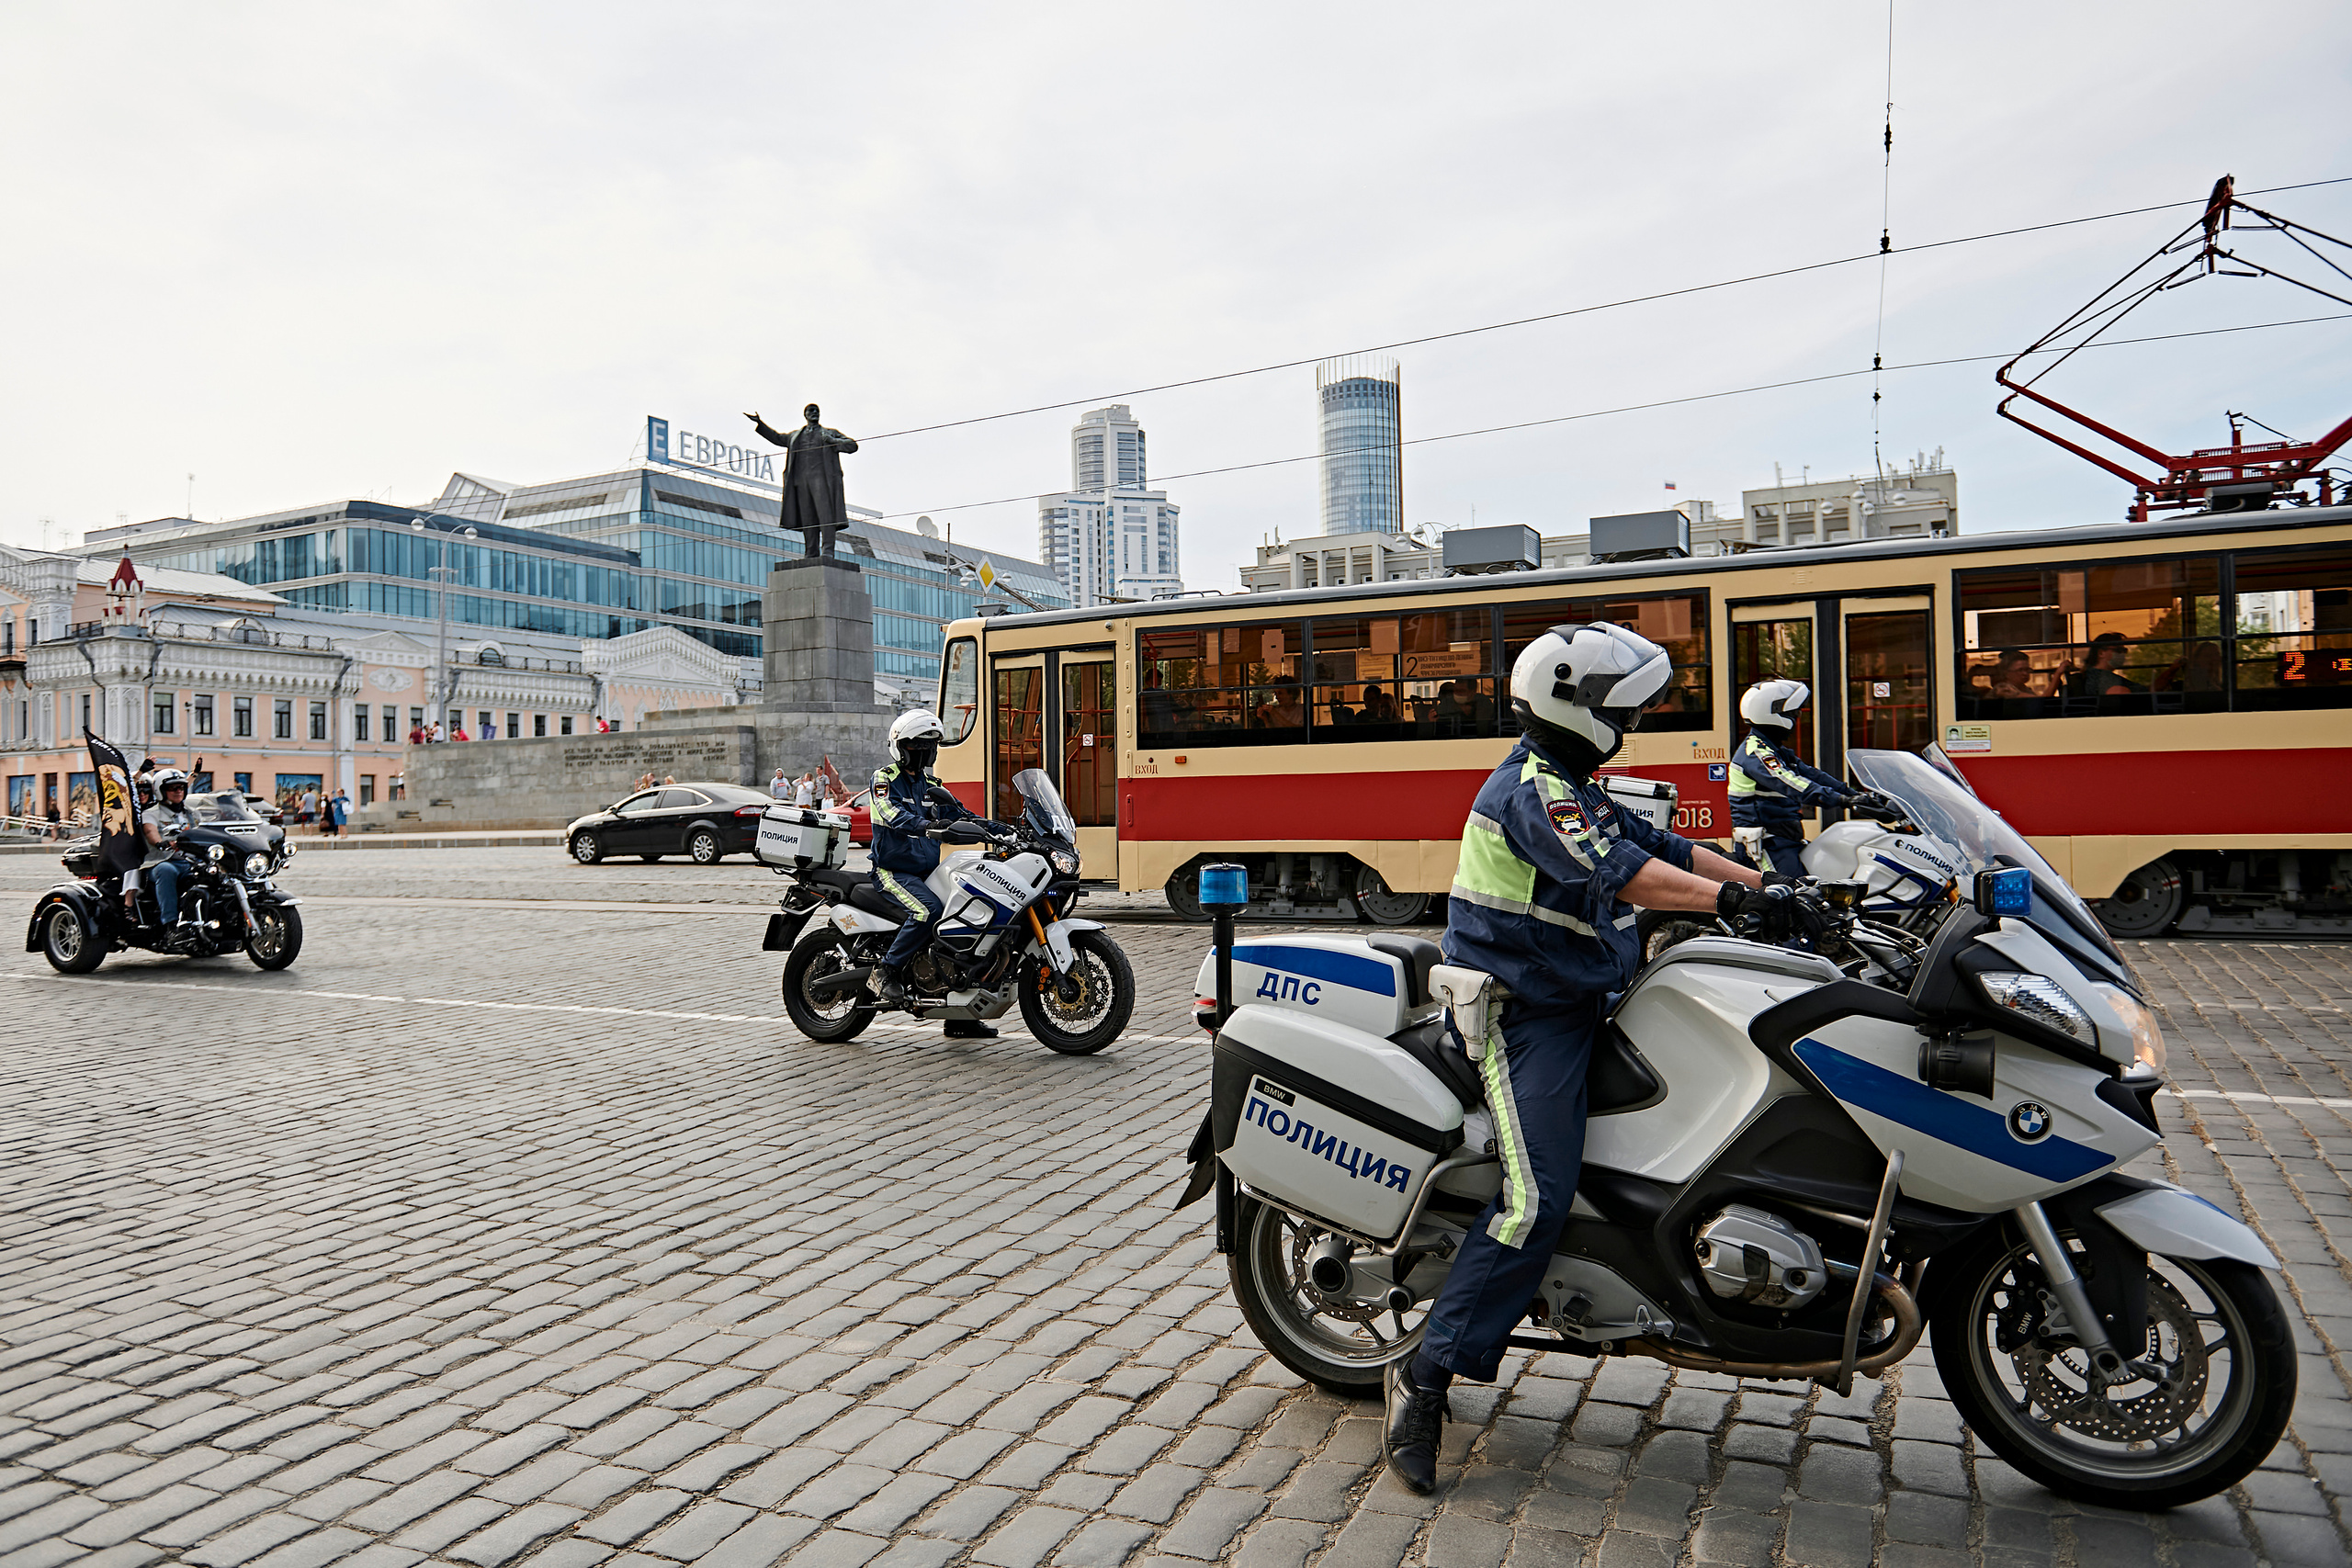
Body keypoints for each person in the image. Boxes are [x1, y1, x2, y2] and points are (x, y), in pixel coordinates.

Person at [1385, 623, 1794, 1494]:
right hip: (1528, 1015)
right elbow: (1623, 871)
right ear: (1581, 705)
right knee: (1535, 1196)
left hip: (1589, 998)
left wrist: (1774, 891)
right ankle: (1424, 1376)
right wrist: (1730, 898)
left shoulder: (1572, 777)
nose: (1634, 721)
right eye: (1624, 707)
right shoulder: (1535, 791)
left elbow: (1669, 851)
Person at [865, 710, 994, 1038]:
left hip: (928, 872)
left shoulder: (933, 785)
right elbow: (888, 812)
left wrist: (998, 829)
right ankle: (886, 970)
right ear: (902, 747)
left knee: (968, 917)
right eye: (918, 746)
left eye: (929, 747)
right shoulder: (884, 779)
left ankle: (959, 1015)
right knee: (928, 911)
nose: (924, 753)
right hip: (893, 871)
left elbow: (961, 814)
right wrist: (925, 825)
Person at [1726, 680, 1883, 876]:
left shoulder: (1775, 750)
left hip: (1785, 839)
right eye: (1793, 713)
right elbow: (1792, 784)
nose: (1797, 718)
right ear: (1774, 714)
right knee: (1791, 894)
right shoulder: (1755, 753)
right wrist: (1843, 801)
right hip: (1764, 845)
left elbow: (1813, 775)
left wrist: (1857, 795)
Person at [141, 769, 199, 944]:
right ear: (161, 791)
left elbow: (205, 831)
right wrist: (161, 842)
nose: (178, 791)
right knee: (166, 871)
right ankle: (171, 927)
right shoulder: (151, 813)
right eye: (172, 788)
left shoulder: (192, 813)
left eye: (181, 787)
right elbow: (150, 831)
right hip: (160, 862)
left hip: (190, 862)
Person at [2081, 632, 2143, 698]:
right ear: (2101, 653)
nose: (2123, 654)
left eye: (2125, 650)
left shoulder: (2090, 675)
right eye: (2118, 650)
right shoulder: (2104, 679)